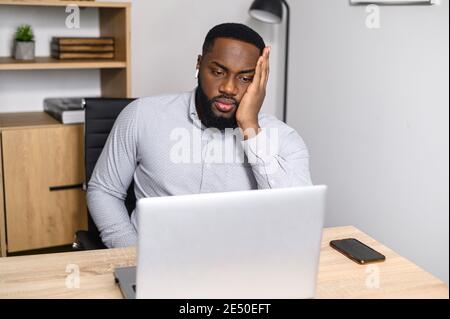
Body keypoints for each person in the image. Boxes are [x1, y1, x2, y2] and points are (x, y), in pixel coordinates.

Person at [87, 23, 312, 248]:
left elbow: (293, 220)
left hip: (238, 268)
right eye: (218, 72)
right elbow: (104, 191)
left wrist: (250, 127)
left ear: (260, 81)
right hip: (156, 263)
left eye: (245, 78)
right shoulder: (142, 115)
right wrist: (132, 257)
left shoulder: (284, 139)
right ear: (198, 64)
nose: (229, 88)